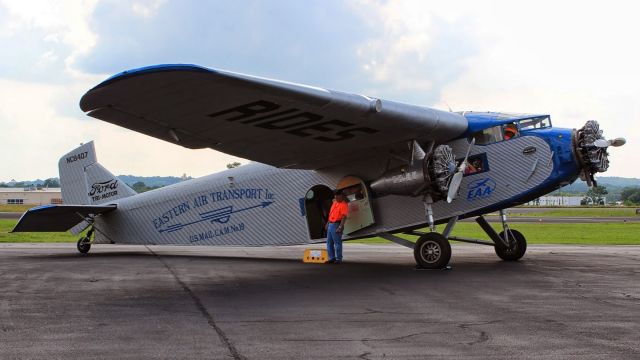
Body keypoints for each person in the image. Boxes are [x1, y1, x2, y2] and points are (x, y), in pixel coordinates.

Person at [325, 189, 349, 264]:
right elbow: (331, 214)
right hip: (331, 224)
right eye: (335, 197)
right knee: (329, 242)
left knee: (337, 242)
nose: (336, 199)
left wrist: (340, 227)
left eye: (338, 197)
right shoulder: (335, 203)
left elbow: (344, 217)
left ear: (341, 196)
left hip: (336, 224)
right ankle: (331, 258)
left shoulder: (344, 204)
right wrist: (327, 223)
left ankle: (339, 259)